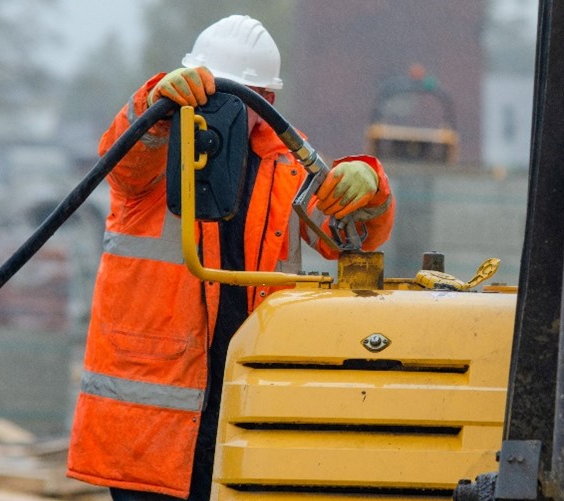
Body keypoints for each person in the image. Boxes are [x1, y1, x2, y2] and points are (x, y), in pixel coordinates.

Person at [66, 14, 395, 501]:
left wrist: (370, 188)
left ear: (270, 101)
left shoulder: (291, 166)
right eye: (214, 92)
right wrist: (153, 102)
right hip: (152, 431)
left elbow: (351, 236)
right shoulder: (158, 149)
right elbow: (125, 163)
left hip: (247, 414)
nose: (226, 108)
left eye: (242, 97)